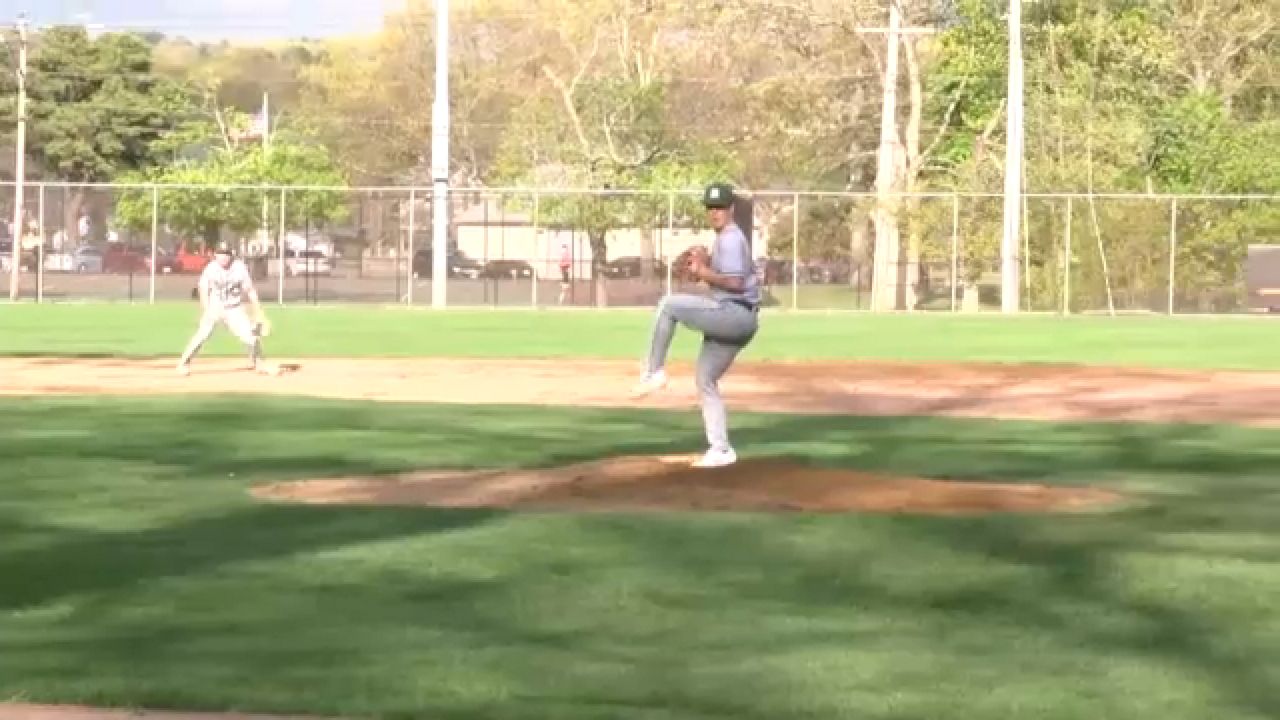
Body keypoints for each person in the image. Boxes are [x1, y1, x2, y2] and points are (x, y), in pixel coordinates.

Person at [632, 182, 760, 468]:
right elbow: (725, 276)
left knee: (668, 305)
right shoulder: (726, 239)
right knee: (705, 379)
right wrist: (707, 263)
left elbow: (736, 283)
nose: (714, 212)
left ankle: (654, 371)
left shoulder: (731, 238)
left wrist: (703, 271)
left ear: (731, 209)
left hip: (734, 314)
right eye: (710, 207)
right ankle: (721, 449)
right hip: (739, 317)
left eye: (720, 207)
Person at [177, 242, 276, 376]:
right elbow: (203, 289)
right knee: (202, 335)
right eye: (220, 254)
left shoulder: (240, 268)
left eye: (226, 254)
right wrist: (206, 310)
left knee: (251, 337)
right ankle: (183, 363)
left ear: (231, 255)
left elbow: (250, 290)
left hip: (234, 309)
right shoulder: (211, 268)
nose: (223, 257)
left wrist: (259, 311)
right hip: (215, 307)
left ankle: (259, 363)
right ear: (215, 255)